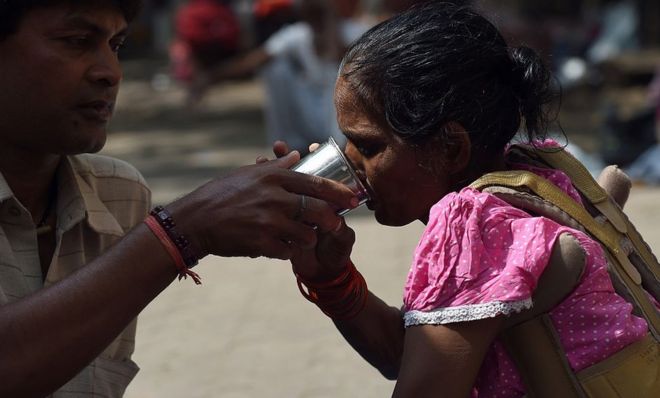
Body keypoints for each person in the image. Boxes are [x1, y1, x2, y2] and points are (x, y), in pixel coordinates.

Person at [280, 2, 659, 397]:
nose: (351, 162)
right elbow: (411, 355)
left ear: (451, 148)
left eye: (369, 145)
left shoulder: (473, 226)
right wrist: (329, 276)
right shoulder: (538, 178)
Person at [0, 1, 358, 396]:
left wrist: (333, 283)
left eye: (115, 45)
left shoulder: (117, 194)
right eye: (77, 41)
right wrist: (179, 231)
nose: (110, 72)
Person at [189, 0, 369, 153]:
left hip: (342, 112)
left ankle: (343, 150)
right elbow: (255, 60)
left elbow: (341, 55)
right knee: (276, 69)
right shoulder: (298, 33)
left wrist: (331, 28)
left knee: (346, 80)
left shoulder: (354, 31)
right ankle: (290, 146)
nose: (316, 20)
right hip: (310, 112)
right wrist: (211, 77)